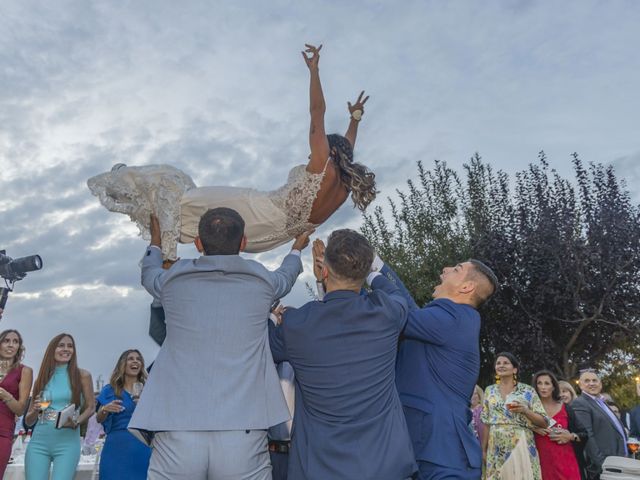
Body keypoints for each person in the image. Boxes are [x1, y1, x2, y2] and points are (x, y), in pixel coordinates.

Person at [87, 44, 376, 260]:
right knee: (197, 216)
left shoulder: (322, 163)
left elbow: (317, 112)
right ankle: (146, 211)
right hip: (266, 238)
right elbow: (348, 146)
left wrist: (314, 71)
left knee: (183, 194)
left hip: (257, 208)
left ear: (330, 151)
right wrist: (355, 118)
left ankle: (125, 181)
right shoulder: (342, 186)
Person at [129, 208, 310, 480]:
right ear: (244, 242)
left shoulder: (174, 279)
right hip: (244, 430)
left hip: (177, 428)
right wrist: (297, 248)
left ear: (198, 244)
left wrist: (156, 240)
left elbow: (148, 273)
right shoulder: (262, 281)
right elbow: (287, 274)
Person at [268, 229, 416, 480]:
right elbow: (398, 293)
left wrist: (273, 314)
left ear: (324, 271)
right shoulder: (387, 312)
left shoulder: (297, 324)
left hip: (320, 468)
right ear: (365, 269)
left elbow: (264, 343)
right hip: (386, 466)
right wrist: (367, 270)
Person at [375, 257, 498, 479]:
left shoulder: (456, 318)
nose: (446, 268)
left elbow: (399, 314)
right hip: (425, 448)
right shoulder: (445, 319)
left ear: (466, 287)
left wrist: (366, 273)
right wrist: (377, 265)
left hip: (443, 456)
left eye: (456, 268)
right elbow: (409, 307)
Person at [24, 333, 95, 480]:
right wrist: (36, 410)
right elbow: (28, 421)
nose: (66, 349)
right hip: (39, 442)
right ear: (52, 349)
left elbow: (91, 407)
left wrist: (77, 421)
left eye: (70, 346)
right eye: (61, 345)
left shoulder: (83, 375)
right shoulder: (41, 379)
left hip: (67, 443)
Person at [481, 353, 548, 480]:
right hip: (496, 446)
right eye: (498, 363)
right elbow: (486, 422)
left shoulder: (527, 390)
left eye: (505, 363)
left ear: (515, 369)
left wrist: (525, 410)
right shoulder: (489, 390)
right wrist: (483, 450)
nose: (501, 365)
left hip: (520, 442)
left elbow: (544, 422)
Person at [96, 349, 151, 479]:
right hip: (116, 447)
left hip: (141, 447)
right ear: (122, 364)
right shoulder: (110, 390)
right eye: (130, 358)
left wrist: (144, 407)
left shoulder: (149, 390)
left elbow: (158, 418)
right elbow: (99, 418)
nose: (135, 361)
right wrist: (105, 409)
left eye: (138, 359)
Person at [570, 369, 627, 479]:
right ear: (580, 385)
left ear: (600, 384)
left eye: (594, 380)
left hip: (618, 462)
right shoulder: (581, 403)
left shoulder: (601, 402)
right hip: (604, 466)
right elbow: (587, 436)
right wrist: (601, 463)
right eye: (586, 381)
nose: (591, 383)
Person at [532, 370, 586, 480]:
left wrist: (570, 436)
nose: (543, 387)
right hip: (540, 465)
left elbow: (584, 434)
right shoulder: (530, 409)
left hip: (567, 464)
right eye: (539, 383)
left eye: (547, 383)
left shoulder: (566, 408)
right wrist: (533, 427)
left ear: (553, 386)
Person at [0, 329, 33, 477]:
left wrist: (5, 395)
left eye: (15, 342)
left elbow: (20, 410)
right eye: (6, 341)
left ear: (19, 347)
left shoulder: (24, 371)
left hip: (3, 432)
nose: (11, 345)